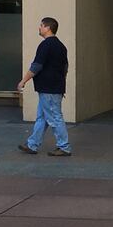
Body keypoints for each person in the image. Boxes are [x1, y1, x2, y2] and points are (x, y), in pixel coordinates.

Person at [16, 17, 72, 157]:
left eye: (41, 25)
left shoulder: (46, 45)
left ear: (48, 28)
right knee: (42, 117)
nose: (39, 28)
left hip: (48, 87)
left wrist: (23, 81)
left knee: (54, 117)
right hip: (54, 86)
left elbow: (36, 66)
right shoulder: (61, 46)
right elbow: (65, 67)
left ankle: (64, 146)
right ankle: (32, 144)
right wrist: (61, 84)